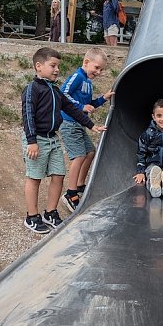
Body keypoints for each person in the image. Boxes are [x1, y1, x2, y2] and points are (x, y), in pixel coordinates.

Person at [21, 47, 107, 234]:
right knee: (34, 178)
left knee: (59, 175)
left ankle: (50, 212)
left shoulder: (55, 90)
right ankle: (32, 216)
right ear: (39, 66)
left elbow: (72, 110)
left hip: (53, 139)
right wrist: (31, 140)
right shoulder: (32, 89)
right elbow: (27, 115)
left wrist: (92, 126)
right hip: (38, 140)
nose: (57, 70)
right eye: (53, 66)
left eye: (58, 66)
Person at [60, 48, 114, 211]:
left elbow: (90, 105)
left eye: (101, 69)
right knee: (79, 156)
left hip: (79, 124)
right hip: (69, 122)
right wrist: (81, 106)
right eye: (96, 67)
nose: (98, 72)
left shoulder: (88, 83)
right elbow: (63, 94)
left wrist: (103, 98)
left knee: (90, 152)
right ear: (86, 62)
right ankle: (70, 193)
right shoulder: (78, 76)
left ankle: (80, 184)